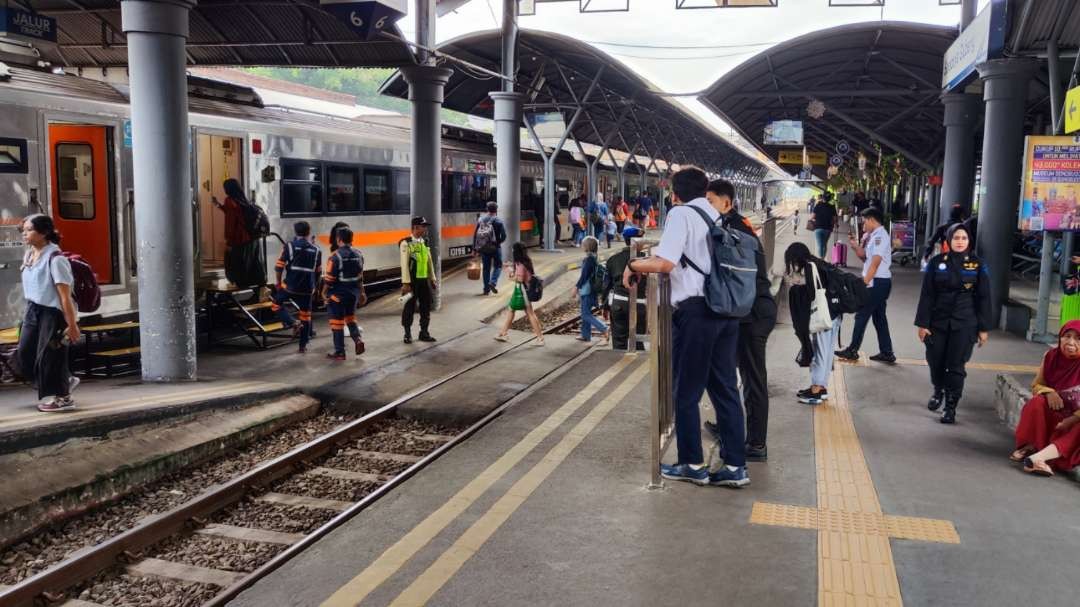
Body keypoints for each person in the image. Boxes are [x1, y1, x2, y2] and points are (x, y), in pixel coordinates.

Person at [622, 167, 748, 488]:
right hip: (724, 311)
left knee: (686, 392)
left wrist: (634, 264)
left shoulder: (680, 214)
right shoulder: (714, 214)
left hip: (696, 313)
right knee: (725, 390)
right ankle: (735, 466)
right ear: (705, 189)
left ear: (674, 194)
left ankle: (692, 463)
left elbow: (665, 263)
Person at [707, 179, 777, 461]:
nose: (706, 207)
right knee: (735, 374)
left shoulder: (732, 230)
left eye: (710, 201)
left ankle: (757, 444)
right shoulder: (735, 223)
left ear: (726, 203)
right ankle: (728, 425)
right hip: (748, 311)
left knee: (753, 379)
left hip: (753, 314)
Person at [914, 223, 990, 423]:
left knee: (956, 366)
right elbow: (927, 295)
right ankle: (938, 390)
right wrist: (923, 324)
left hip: (965, 322)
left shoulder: (978, 264)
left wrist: (983, 328)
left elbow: (983, 297)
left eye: (964, 238)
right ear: (948, 239)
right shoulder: (937, 262)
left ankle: (950, 406)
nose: (960, 242)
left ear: (969, 241)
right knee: (935, 361)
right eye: (956, 238)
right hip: (938, 321)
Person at [16, 215, 81, 412]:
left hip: (53, 312)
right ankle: (64, 379)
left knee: (51, 355)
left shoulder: (56, 259)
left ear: (44, 232)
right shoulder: (29, 255)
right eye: (23, 230)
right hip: (33, 309)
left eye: (29, 230)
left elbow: (65, 296)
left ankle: (64, 397)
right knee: (24, 352)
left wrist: (72, 324)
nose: (24, 234)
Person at [1011, 321, 1080, 476]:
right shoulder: (1051, 357)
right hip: (1057, 414)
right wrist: (1049, 392)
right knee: (1036, 403)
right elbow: (1036, 385)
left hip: (1075, 419)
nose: (1071, 342)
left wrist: (1071, 420)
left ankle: (1037, 457)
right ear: (1060, 338)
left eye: (1078, 338)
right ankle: (1032, 446)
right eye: (1067, 336)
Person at [785, 242, 841, 404]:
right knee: (827, 352)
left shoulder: (810, 267)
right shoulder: (818, 262)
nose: (793, 265)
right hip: (835, 313)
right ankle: (821, 388)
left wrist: (796, 288)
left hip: (825, 316)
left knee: (820, 353)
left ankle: (816, 390)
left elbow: (811, 294)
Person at [837, 207, 895, 363]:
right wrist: (855, 245)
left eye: (864, 221)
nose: (863, 225)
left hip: (876, 283)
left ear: (871, 220)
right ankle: (887, 352)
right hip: (879, 283)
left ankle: (852, 350)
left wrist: (864, 283)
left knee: (862, 315)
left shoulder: (880, 237)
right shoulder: (874, 236)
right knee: (879, 318)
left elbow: (874, 264)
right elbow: (865, 258)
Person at [273, 221, 322, 354]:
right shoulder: (317, 250)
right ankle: (302, 346)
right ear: (309, 231)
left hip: (290, 286)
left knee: (276, 305)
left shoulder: (289, 246)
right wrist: (315, 288)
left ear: (295, 232)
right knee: (305, 316)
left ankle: (294, 323)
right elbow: (318, 272)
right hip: (307, 289)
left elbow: (279, 267)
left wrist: (278, 283)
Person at [321, 227, 365, 360]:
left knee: (337, 323)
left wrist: (323, 293)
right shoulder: (359, 254)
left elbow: (329, 279)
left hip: (338, 296)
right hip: (353, 294)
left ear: (338, 239)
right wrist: (362, 293)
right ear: (351, 239)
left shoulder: (335, 257)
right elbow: (360, 277)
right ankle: (357, 339)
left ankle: (340, 352)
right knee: (350, 319)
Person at [212, 179, 262, 287]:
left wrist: (229, 242)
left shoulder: (229, 201)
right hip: (251, 238)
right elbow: (234, 213)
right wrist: (218, 205)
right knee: (249, 263)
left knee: (235, 263)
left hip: (239, 239)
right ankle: (252, 284)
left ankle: (238, 284)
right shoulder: (243, 200)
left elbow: (231, 221)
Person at [493, 243, 544, 345]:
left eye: (513, 250)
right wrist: (511, 270)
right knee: (512, 310)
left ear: (516, 252)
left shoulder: (520, 264)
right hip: (523, 290)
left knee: (530, 314)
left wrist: (510, 275)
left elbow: (519, 279)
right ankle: (503, 333)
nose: (512, 251)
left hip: (522, 291)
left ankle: (540, 338)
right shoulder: (526, 261)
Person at [400, 216, 438, 344]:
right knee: (409, 307)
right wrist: (405, 283)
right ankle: (407, 334)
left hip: (423, 281)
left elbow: (429, 261)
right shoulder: (406, 243)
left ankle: (424, 333)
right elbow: (404, 264)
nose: (425, 229)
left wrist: (432, 278)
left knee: (425, 307)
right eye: (423, 226)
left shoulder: (424, 242)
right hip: (411, 282)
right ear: (416, 227)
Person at [605, 244, 647, 351]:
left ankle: (617, 362)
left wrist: (605, 306)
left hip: (619, 302)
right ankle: (637, 365)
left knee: (619, 341)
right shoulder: (646, 259)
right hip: (640, 303)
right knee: (638, 340)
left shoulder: (613, 259)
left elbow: (606, 286)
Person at [574, 237, 609, 344]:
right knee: (586, 312)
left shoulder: (588, 260)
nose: (581, 245)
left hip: (587, 290)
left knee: (585, 314)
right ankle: (586, 335)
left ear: (587, 246)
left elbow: (584, 276)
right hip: (591, 289)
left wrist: (576, 287)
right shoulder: (594, 257)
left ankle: (603, 328)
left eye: (583, 243)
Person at [473, 201, 507, 296]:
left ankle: (486, 290)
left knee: (486, 269)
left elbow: (475, 235)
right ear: (496, 210)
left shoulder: (481, 220)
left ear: (487, 210)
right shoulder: (499, 221)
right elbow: (504, 236)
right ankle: (493, 282)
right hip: (495, 247)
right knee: (498, 265)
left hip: (484, 247)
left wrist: (474, 249)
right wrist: (497, 242)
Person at [811, 192, 839, 258]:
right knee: (824, 244)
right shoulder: (832, 207)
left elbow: (813, 216)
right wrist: (836, 224)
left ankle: (821, 260)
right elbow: (835, 218)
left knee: (820, 245)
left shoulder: (818, 205)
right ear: (829, 199)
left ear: (822, 198)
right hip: (827, 229)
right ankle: (822, 259)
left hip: (818, 228)